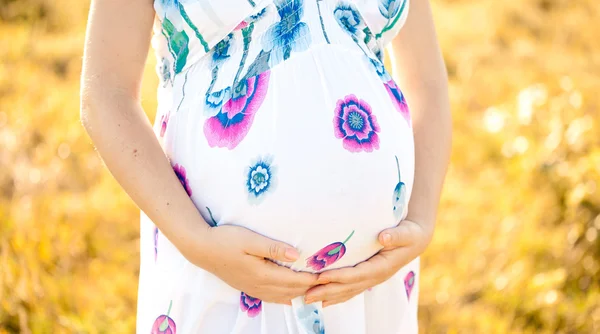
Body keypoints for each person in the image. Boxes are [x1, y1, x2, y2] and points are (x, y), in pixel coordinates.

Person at [80, 0, 451, 333]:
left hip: (369, 290)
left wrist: (421, 216)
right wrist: (198, 241)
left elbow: (428, 83)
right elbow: (106, 93)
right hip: (220, 277)